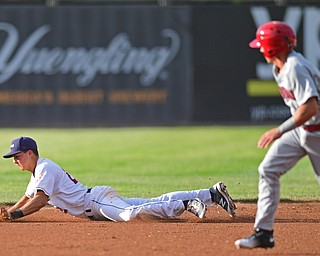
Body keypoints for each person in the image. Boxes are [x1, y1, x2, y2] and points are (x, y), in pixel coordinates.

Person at [0, 136, 236, 222]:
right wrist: (11, 212)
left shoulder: (45, 168)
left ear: (30, 153)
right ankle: (211, 194)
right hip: (97, 201)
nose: (14, 160)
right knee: (149, 202)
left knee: (130, 215)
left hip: (95, 202)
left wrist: (17, 215)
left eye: (17, 155)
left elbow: (40, 200)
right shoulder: (37, 172)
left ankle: (185, 205)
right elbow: (27, 196)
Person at [235, 21, 320, 249]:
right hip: (304, 130)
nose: (260, 49)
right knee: (268, 170)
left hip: (318, 133)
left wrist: (279, 130)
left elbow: (311, 107)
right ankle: (263, 233)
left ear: (271, 48)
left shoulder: (294, 67)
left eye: (262, 45)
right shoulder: (280, 66)